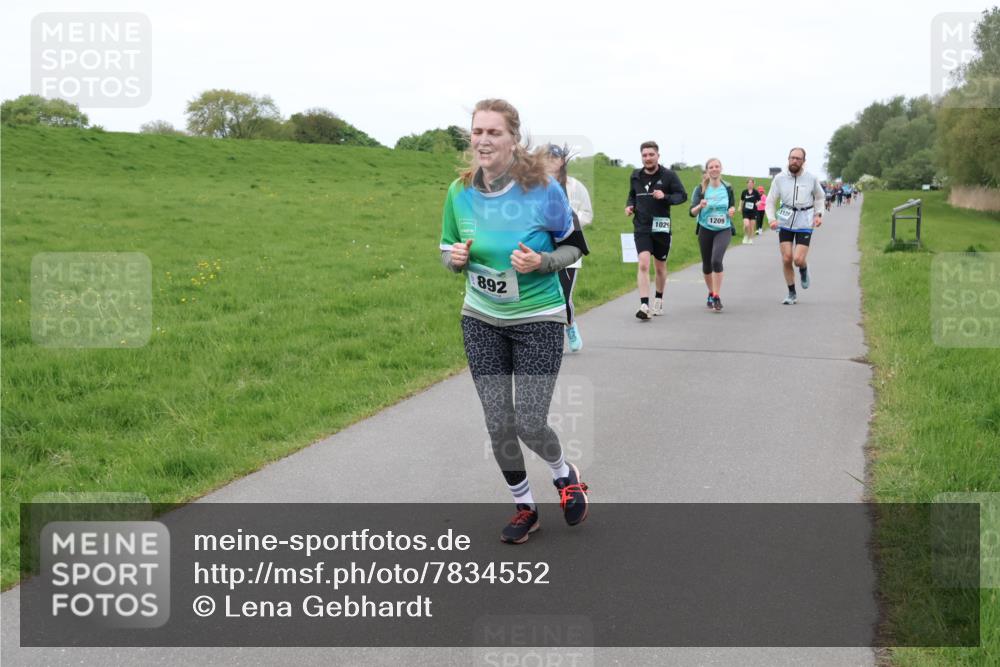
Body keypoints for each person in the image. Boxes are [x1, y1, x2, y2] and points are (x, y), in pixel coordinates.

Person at [439, 99, 591, 544]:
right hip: (481, 316)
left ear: (513, 139)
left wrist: (542, 262)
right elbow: (447, 250)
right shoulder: (458, 191)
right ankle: (525, 507)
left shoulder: (543, 189)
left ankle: (565, 476)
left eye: (494, 132)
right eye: (477, 131)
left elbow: (573, 248)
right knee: (497, 422)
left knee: (527, 420)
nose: (483, 140)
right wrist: (455, 258)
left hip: (538, 318)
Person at [625, 141, 687, 320]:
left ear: (658, 156)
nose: (648, 158)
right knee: (643, 263)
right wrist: (630, 206)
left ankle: (658, 299)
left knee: (660, 267)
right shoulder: (635, 176)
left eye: (651, 154)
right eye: (644, 155)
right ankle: (644, 304)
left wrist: (665, 197)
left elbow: (682, 196)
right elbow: (632, 195)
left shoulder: (669, 175)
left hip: (661, 226)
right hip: (642, 226)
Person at [543, 144, 593, 352]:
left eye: (553, 157)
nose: (549, 161)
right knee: (544, 296)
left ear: (562, 161)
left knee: (564, 295)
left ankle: (570, 326)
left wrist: (569, 222)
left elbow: (587, 214)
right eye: (545, 157)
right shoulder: (535, 186)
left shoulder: (575, 186)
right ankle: (547, 337)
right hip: (544, 249)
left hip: (569, 249)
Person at [765, 147, 825, 305]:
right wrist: (771, 219)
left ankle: (803, 268)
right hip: (785, 220)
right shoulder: (779, 178)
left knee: (797, 259)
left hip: (805, 220)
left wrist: (818, 215)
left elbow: (820, 197)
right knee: (786, 258)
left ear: (804, 162)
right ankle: (792, 293)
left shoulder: (811, 178)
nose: (794, 161)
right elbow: (770, 200)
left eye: (798, 158)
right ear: (788, 159)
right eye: (792, 158)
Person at [689, 158, 736, 311]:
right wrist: (699, 206)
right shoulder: (701, 189)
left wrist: (731, 211)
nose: (714, 169)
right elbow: (691, 212)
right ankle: (710, 292)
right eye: (711, 167)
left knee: (716, 260)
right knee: (707, 264)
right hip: (705, 229)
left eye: (717, 166)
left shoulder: (728, 188)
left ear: (721, 169)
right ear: (707, 170)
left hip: (723, 229)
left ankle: (716, 295)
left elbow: (732, 207)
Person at [739, 178, 760, 244]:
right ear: (747, 184)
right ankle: (745, 236)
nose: (750, 184)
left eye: (751, 183)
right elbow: (742, 200)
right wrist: (740, 207)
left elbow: (759, 200)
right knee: (746, 225)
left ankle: (750, 239)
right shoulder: (744, 192)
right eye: (749, 183)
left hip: (753, 211)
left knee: (751, 226)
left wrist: (758, 203)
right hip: (745, 211)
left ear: (753, 184)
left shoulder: (756, 192)